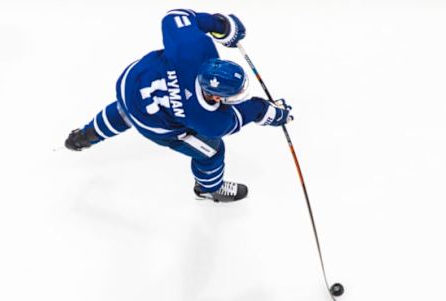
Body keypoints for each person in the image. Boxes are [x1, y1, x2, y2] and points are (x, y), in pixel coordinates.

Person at [65, 9, 292, 202]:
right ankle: (208, 189)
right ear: (214, 97)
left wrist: (219, 25)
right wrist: (269, 112)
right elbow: (244, 114)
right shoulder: (209, 120)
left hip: (132, 84)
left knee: (125, 109)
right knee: (212, 152)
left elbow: (176, 16)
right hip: (155, 125)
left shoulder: (192, 47)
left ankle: (85, 136)